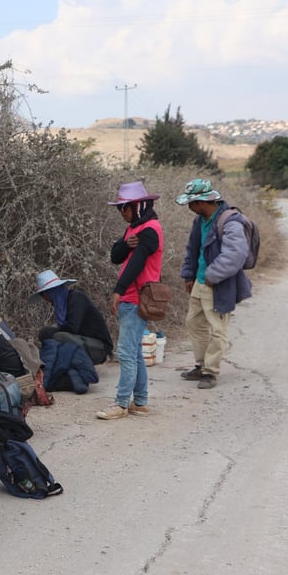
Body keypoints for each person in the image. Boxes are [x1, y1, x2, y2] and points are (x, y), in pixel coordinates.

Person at [96, 181, 164, 420]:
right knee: (133, 352)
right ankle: (141, 402)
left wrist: (118, 289)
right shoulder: (135, 229)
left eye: (124, 208)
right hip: (131, 298)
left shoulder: (149, 229)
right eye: (120, 208)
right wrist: (125, 244)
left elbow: (136, 264)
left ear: (138, 206)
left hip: (136, 298)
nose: (122, 212)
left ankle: (121, 403)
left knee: (125, 352)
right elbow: (116, 256)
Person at [176, 178, 252, 389]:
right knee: (194, 323)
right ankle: (200, 365)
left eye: (191, 203)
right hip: (200, 283)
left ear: (202, 202)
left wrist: (213, 275)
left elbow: (236, 254)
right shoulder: (199, 221)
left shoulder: (230, 222)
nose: (189, 207)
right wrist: (189, 275)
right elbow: (192, 249)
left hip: (216, 285)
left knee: (217, 330)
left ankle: (211, 372)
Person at [29, 269, 113, 364]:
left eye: (43, 294)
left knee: (59, 336)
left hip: (99, 348)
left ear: (49, 293)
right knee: (45, 332)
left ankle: (71, 365)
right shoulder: (61, 304)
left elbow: (72, 327)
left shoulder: (76, 298)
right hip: (82, 341)